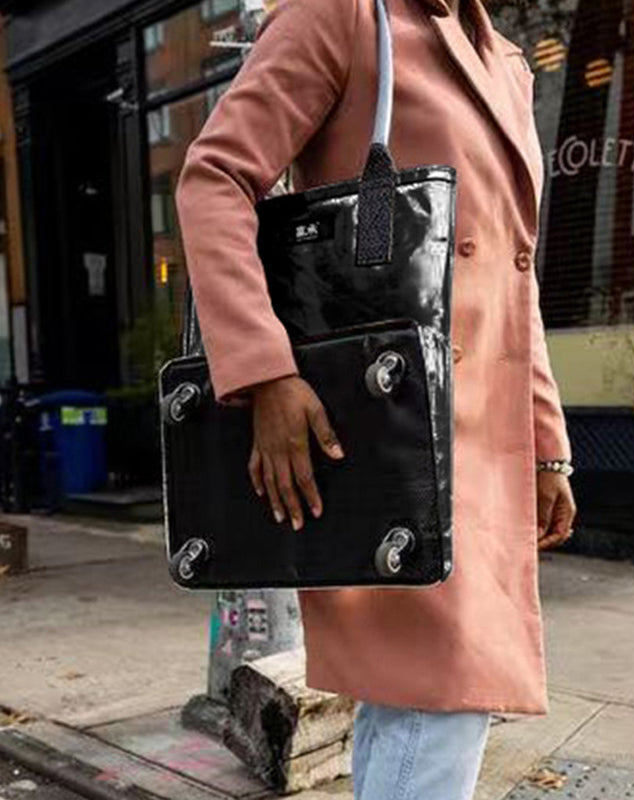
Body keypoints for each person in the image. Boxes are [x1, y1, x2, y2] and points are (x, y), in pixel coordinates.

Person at [175, 0, 577, 797]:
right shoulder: (344, 16)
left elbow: (513, 278)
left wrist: (546, 441)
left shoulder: (505, 61)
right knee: (435, 700)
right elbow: (214, 177)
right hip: (386, 425)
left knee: (426, 705)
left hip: (484, 444)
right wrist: (263, 371)